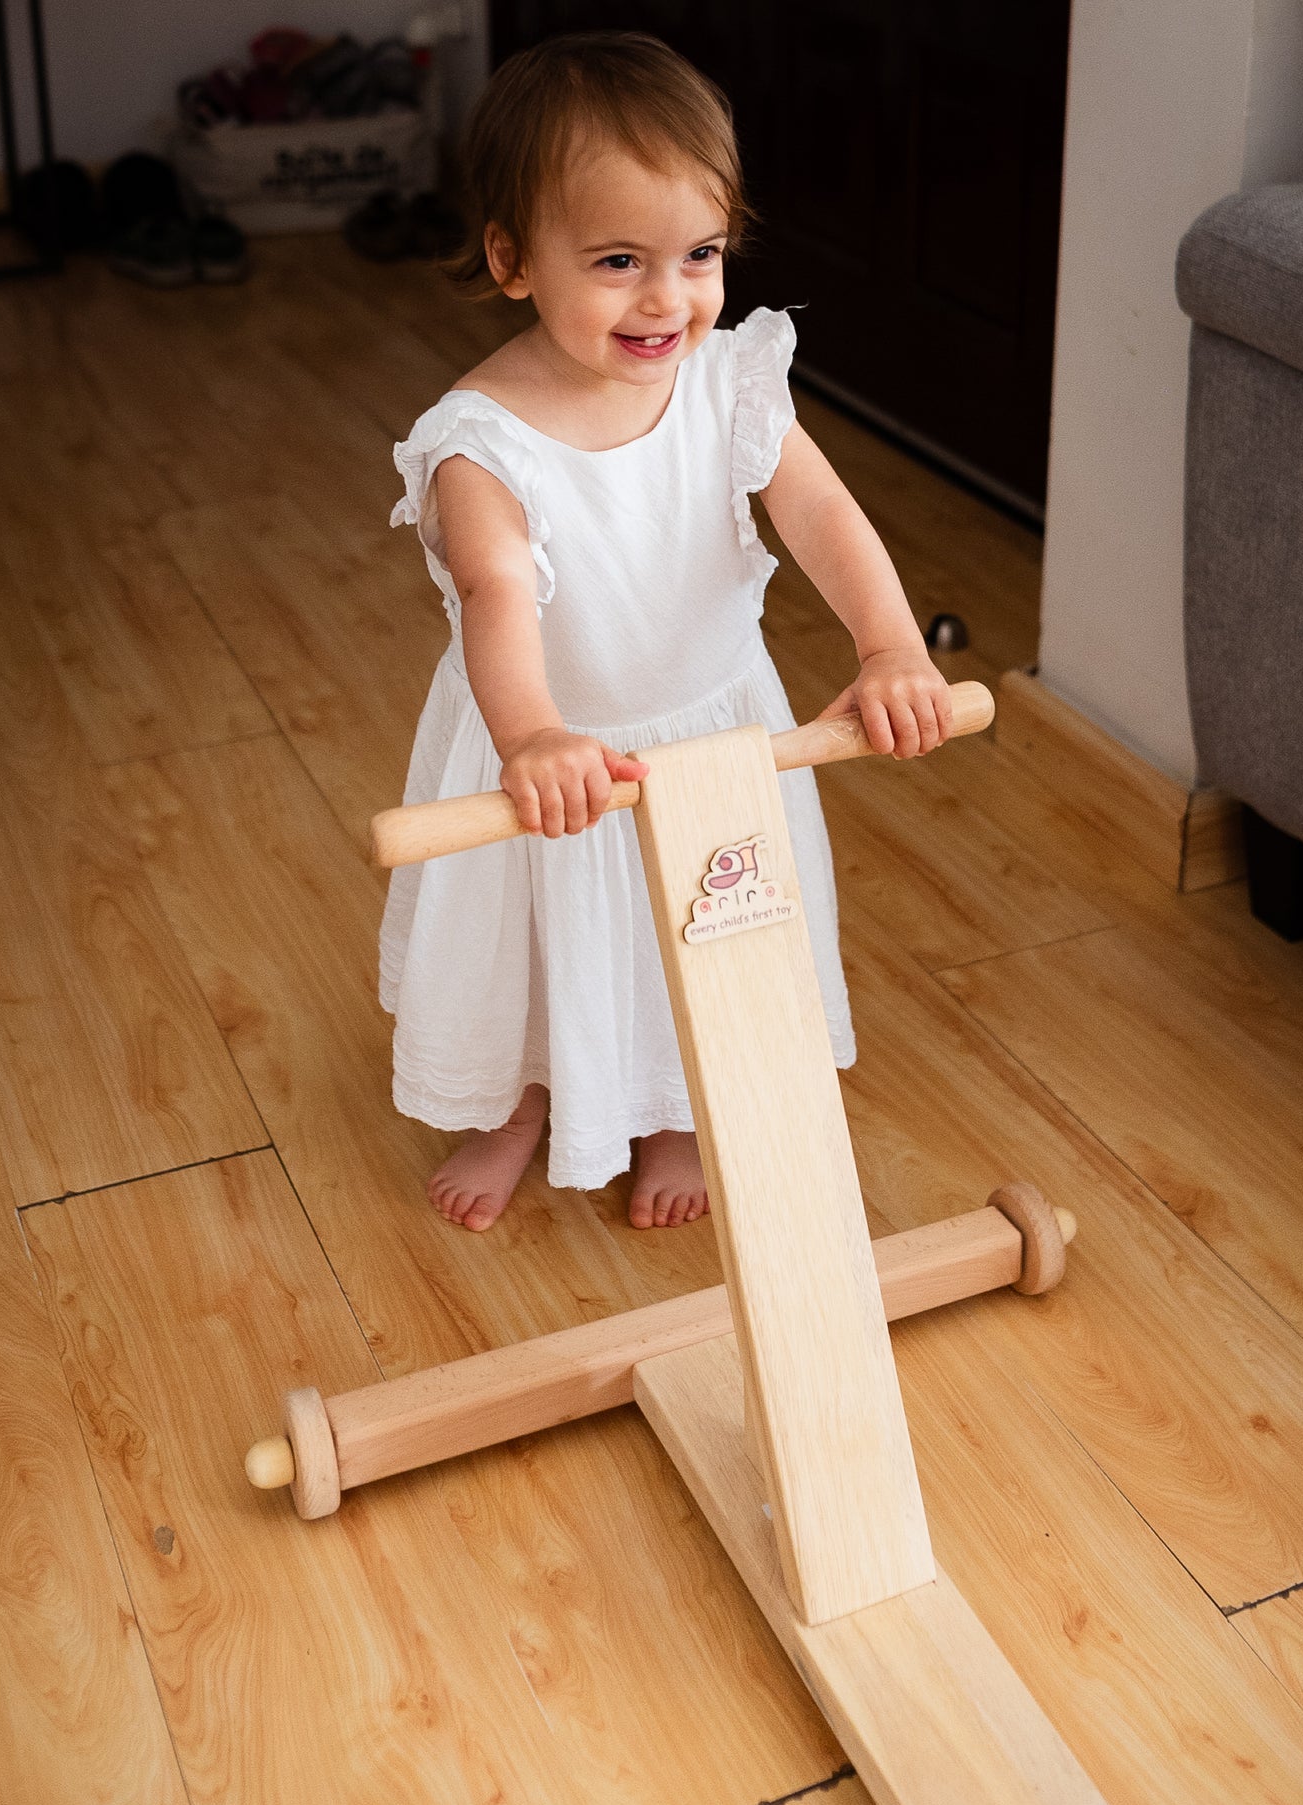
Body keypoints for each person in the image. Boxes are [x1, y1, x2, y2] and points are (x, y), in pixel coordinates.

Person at [383, 32, 954, 1233]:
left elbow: (821, 513)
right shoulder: (481, 442)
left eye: (699, 254)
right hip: (552, 741)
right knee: (531, 936)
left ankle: (673, 1110)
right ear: (511, 260)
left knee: (702, 921)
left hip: (711, 724)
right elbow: (495, 595)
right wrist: (532, 736)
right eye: (616, 262)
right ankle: (517, 1102)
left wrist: (890, 646)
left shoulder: (727, 379)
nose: (667, 299)